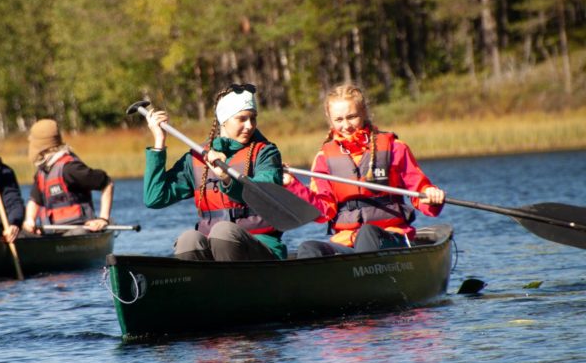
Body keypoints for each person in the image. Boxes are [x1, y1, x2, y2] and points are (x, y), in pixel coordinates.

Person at [284, 83, 446, 257]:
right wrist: (292, 184)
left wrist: (431, 197)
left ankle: (362, 270)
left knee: (367, 233)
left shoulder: (395, 148)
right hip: (347, 242)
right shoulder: (324, 158)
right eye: (339, 120)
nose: (346, 125)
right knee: (309, 248)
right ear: (330, 119)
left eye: (352, 117)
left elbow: (420, 193)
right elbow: (323, 213)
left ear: (364, 112)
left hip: (391, 238)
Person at [143, 83, 287, 261]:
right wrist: (159, 142)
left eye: (253, 118)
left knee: (223, 231)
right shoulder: (196, 157)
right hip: (214, 247)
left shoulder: (266, 152)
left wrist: (226, 177)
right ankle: (199, 278)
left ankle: (230, 277)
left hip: (261, 247)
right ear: (223, 120)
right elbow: (154, 198)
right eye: (242, 119)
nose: (250, 125)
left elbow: (264, 194)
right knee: (189, 240)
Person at [21, 119, 114, 235]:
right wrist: (30, 220)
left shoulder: (70, 168)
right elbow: (35, 200)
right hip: (53, 234)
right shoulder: (42, 172)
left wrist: (103, 218)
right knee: (21, 235)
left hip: (79, 231)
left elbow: (107, 183)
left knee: (77, 233)